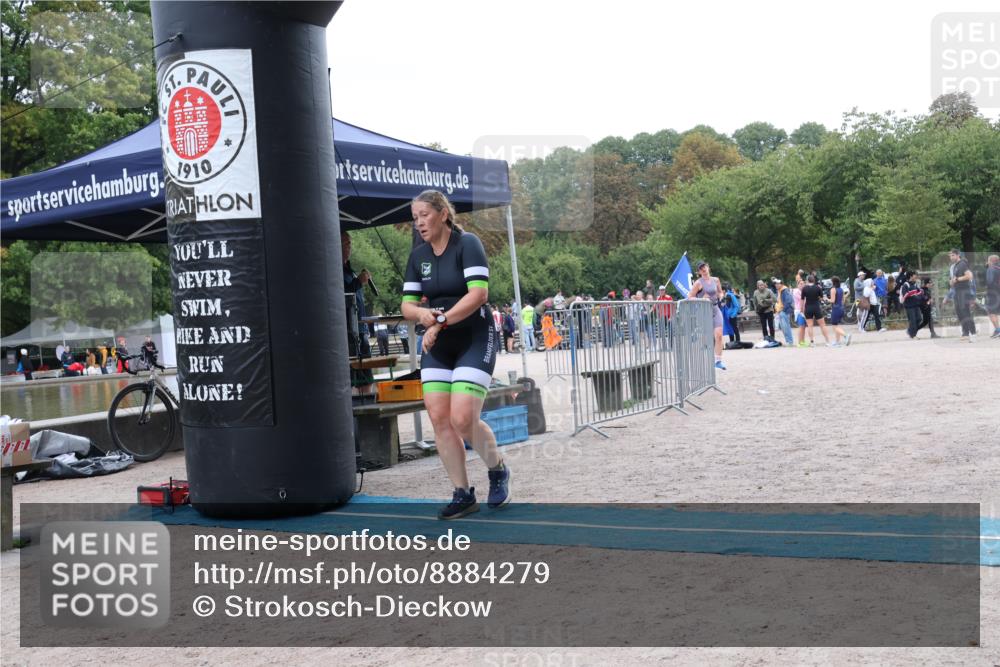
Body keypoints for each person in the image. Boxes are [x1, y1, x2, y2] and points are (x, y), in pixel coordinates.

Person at [401, 190, 509, 520]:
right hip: (440, 344)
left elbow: (479, 294)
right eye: (415, 216)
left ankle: (497, 468)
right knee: (439, 417)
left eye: (424, 214)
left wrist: (439, 323)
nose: (418, 222)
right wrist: (421, 317)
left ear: (443, 214)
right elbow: (406, 305)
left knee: (463, 418)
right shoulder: (418, 255)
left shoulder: (468, 244)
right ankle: (463, 493)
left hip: (474, 336)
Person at [342, 231, 375, 391]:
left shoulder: (350, 270)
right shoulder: (334, 271)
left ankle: (367, 408)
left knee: (366, 377)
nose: (350, 247)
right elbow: (341, 295)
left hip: (360, 328)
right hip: (348, 332)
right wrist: (358, 282)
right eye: (347, 244)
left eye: (350, 244)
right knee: (351, 377)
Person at [688, 261, 726, 370]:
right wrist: (701, 299)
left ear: (708, 267)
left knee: (718, 335)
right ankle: (707, 363)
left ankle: (718, 361)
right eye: (701, 268)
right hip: (704, 311)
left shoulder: (716, 280)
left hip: (715, 309)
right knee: (708, 338)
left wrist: (721, 297)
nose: (703, 269)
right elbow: (689, 297)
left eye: (704, 267)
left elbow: (720, 292)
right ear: (699, 272)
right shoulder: (698, 283)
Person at [948, 248, 977, 341]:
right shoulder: (955, 266)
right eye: (950, 255)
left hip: (964, 291)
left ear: (958, 255)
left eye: (952, 255)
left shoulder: (962, 264)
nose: (951, 257)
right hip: (957, 291)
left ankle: (973, 333)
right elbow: (954, 279)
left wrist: (957, 280)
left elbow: (969, 276)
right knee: (959, 312)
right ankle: (966, 333)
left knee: (965, 312)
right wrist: (952, 281)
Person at [800, 274, 832, 345]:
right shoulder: (818, 288)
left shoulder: (804, 289)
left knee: (810, 325)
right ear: (814, 280)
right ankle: (827, 341)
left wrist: (801, 309)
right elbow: (821, 298)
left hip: (808, 308)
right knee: (822, 325)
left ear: (807, 280)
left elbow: (802, 300)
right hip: (816, 307)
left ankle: (812, 342)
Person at [899, 270, 924, 339]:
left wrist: (919, 296)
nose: (916, 276)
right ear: (910, 276)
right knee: (912, 320)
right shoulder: (905, 285)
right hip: (909, 306)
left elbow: (919, 292)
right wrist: (913, 295)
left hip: (916, 305)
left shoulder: (915, 284)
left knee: (919, 319)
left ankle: (909, 330)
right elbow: (905, 295)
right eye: (914, 275)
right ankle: (913, 335)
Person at [827, 277, 851, 346]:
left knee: (834, 326)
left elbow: (832, 300)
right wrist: (848, 293)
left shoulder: (833, 289)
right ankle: (837, 341)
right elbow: (843, 299)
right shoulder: (841, 289)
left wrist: (826, 299)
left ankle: (846, 336)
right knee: (836, 325)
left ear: (833, 282)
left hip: (835, 309)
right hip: (841, 308)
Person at [774, 278, 794, 345]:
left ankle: (790, 341)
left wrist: (783, 310)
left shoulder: (784, 290)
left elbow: (789, 301)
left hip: (784, 311)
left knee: (786, 327)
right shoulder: (779, 291)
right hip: (780, 311)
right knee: (783, 327)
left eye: (778, 284)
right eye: (775, 284)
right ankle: (788, 341)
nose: (776, 285)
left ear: (781, 284)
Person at [985, 254, 1000, 338]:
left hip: (993, 294)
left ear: (991, 261)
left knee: (991, 312)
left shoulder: (991, 269)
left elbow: (989, 281)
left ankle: (998, 330)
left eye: (988, 260)